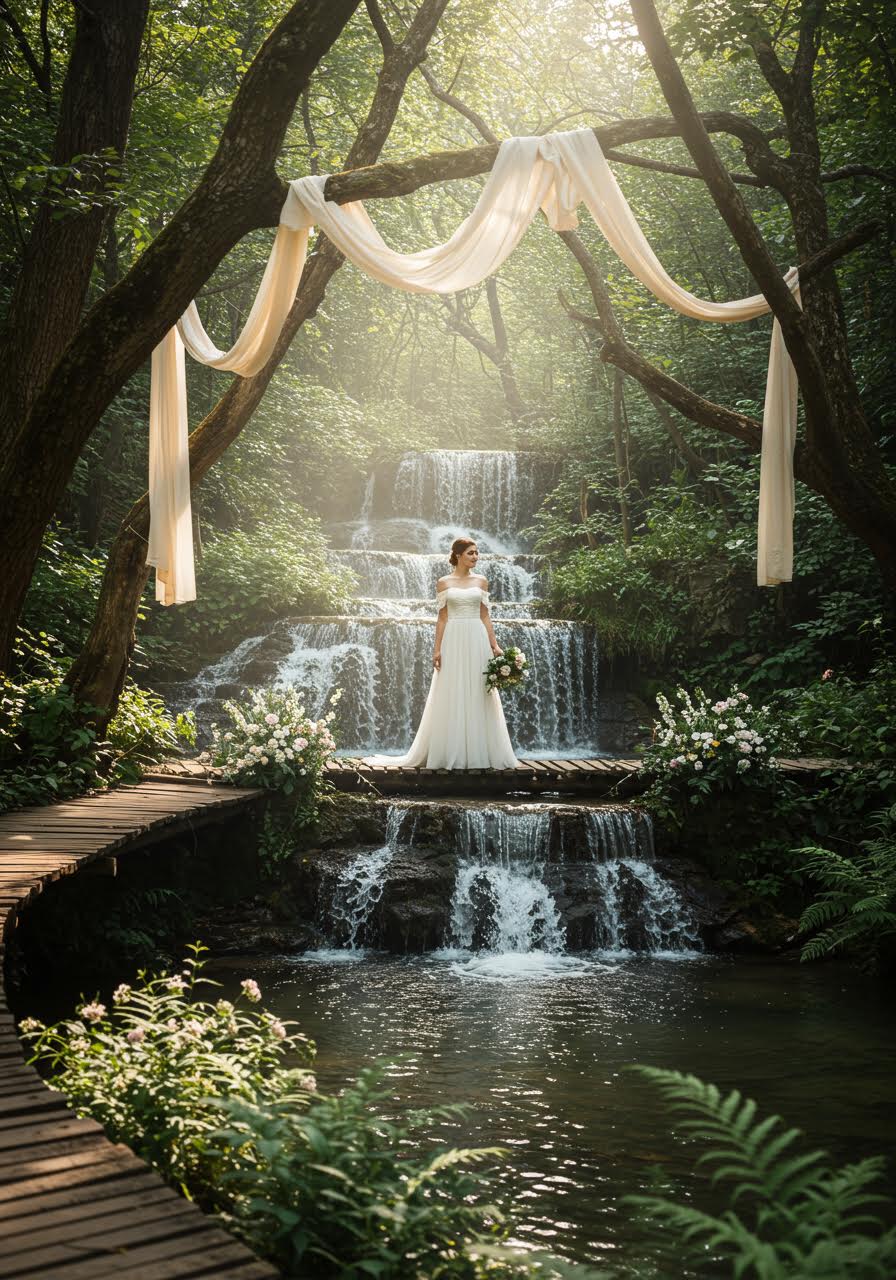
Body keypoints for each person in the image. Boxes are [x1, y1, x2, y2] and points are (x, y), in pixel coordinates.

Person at [368, 537, 519, 769]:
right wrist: (437, 649)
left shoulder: (481, 581)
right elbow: (442, 618)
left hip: (477, 636)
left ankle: (481, 752)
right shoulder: (443, 582)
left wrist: (495, 645)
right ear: (458, 555)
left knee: (480, 689)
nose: (475, 557)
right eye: (470, 553)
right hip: (453, 637)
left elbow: (484, 615)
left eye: (477, 553)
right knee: (452, 687)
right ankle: (450, 751)